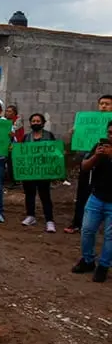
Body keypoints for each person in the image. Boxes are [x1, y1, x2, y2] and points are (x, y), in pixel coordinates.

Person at [71, 120, 112, 283]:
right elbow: (84, 167)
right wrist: (96, 156)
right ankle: (88, 260)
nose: (111, 136)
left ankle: (103, 266)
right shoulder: (99, 147)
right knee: (87, 230)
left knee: (110, 236)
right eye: (109, 132)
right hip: (96, 197)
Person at [65, 94, 112, 234]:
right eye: (101, 103)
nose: (103, 106)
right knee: (83, 193)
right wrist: (74, 134)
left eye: (107, 104)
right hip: (90, 160)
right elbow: (74, 146)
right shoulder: (88, 121)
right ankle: (78, 222)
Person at [20, 114, 57, 233]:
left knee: (45, 196)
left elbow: (55, 151)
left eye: (38, 121)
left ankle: (49, 221)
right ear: (30, 123)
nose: (35, 123)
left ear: (43, 123)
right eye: (33, 121)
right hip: (29, 172)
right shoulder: (26, 137)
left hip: (43, 172)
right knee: (29, 194)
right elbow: (21, 153)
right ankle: (30, 216)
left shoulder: (49, 136)